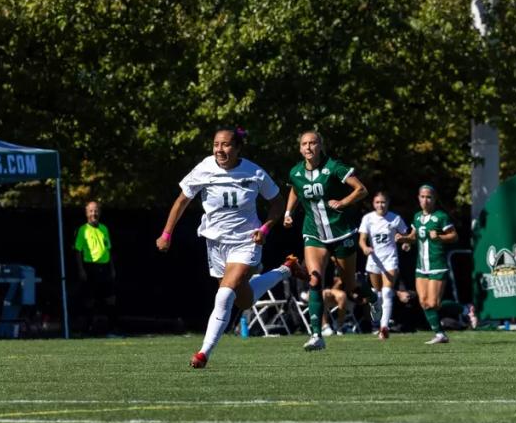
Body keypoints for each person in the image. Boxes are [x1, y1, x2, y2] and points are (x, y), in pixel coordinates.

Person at [156, 126, 305, 369]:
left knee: (224, 295)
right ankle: (286, 269)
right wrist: (166, 233)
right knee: (242, 300)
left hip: (246, 241)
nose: (219, 149)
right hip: (215, 243)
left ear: (237, 148)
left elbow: (277, 204)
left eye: (225, 145)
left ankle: (203, 353)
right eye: (216, 144)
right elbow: (182, 200)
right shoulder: (204, 168)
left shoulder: (254, 172)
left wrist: (265, 228)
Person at [283, 130, 369, 351]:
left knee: (351, 286)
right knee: (314, 279)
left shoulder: (334, 166)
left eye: (313, 143)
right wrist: (288, 212)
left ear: (320, 145)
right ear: (300, 148)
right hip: (314, 233)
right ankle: (316, 335)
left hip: (341, 233)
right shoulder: (296, 172)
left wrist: (343, 201)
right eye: (304, 144)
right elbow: (295, 188)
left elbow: (361, 190)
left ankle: (373, 299)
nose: (308, 147)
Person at [397, 184, 458, 344]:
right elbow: (413, 237)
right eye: (423, 197)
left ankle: (464, 309)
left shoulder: (440, 216)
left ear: (434, 199)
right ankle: (440, 334)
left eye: (429, 197)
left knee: (433, 303)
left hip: (437, 264)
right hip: (421, 267)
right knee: (424, 301)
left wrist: (439, 236)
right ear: (418, 198)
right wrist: (404, 240)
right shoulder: (417, 217)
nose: (426, 200)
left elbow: (454, 236)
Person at [358, 191, 410, 340]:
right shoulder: (368, 218)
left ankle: (384, 327)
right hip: (374, 259)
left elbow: (407, 236)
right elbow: (362, 239)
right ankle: (377, 324)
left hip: (390, 259)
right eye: (377, 202)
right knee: (377, 294)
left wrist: (406, 243)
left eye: (383, 202)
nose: (380, 205)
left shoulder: (395, 218)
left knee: (387, 292)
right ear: (373, 204)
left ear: (388, 203)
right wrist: (365, 248)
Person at [74, 201, 118, 336]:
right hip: (90, 267)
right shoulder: (83, 230)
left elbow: (108, 250)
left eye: (96, 211)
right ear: (87, 213)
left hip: (104, 268)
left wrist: (112, 268)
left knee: (110, 299)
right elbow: (77, 251)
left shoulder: (104, 229)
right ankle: (86, 331)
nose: (94, 213)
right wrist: (81, 269)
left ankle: (111, 330)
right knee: (89, 300)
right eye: (91, 211)